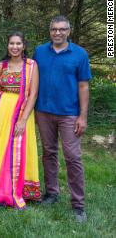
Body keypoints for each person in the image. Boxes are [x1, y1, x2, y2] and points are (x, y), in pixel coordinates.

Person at [33, 15, 91, 223]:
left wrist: (82, 116)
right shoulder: (39, 52)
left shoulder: (79, 54)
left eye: (62, 29)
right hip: (43, 111)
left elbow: (84, 86)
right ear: (50, 31)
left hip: (69, 113)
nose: (57, 33)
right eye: (54, 29)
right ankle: (52, 193)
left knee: (72, 157)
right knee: (48, 153)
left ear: (69, 30)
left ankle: (78, 205)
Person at [0, 31, 41, 209]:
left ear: (24, 46)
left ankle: (17, 188)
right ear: (7, 46)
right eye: (11, 43)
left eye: (18, 44)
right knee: (1, 146)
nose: (15, 47)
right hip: (2, 111)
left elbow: (33, 94)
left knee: (17, 148)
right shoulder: (1, 66)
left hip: (23, 112)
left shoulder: (31, 66)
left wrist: (23, 119)